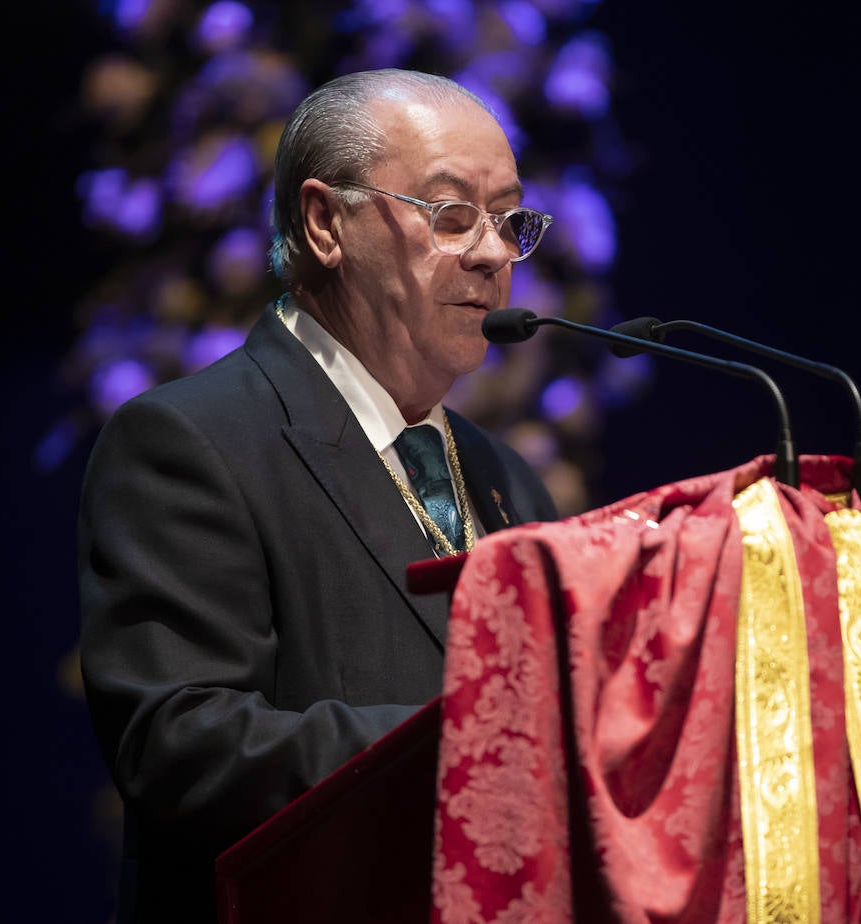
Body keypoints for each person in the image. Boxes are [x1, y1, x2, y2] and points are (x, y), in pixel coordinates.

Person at [77, 68, 560, 923]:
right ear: (324, 223)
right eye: (451, 215)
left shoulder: (505, 476)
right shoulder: (191, 442)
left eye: (509, 220)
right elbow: (181, 747)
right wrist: (482, 746)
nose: (492, 253)